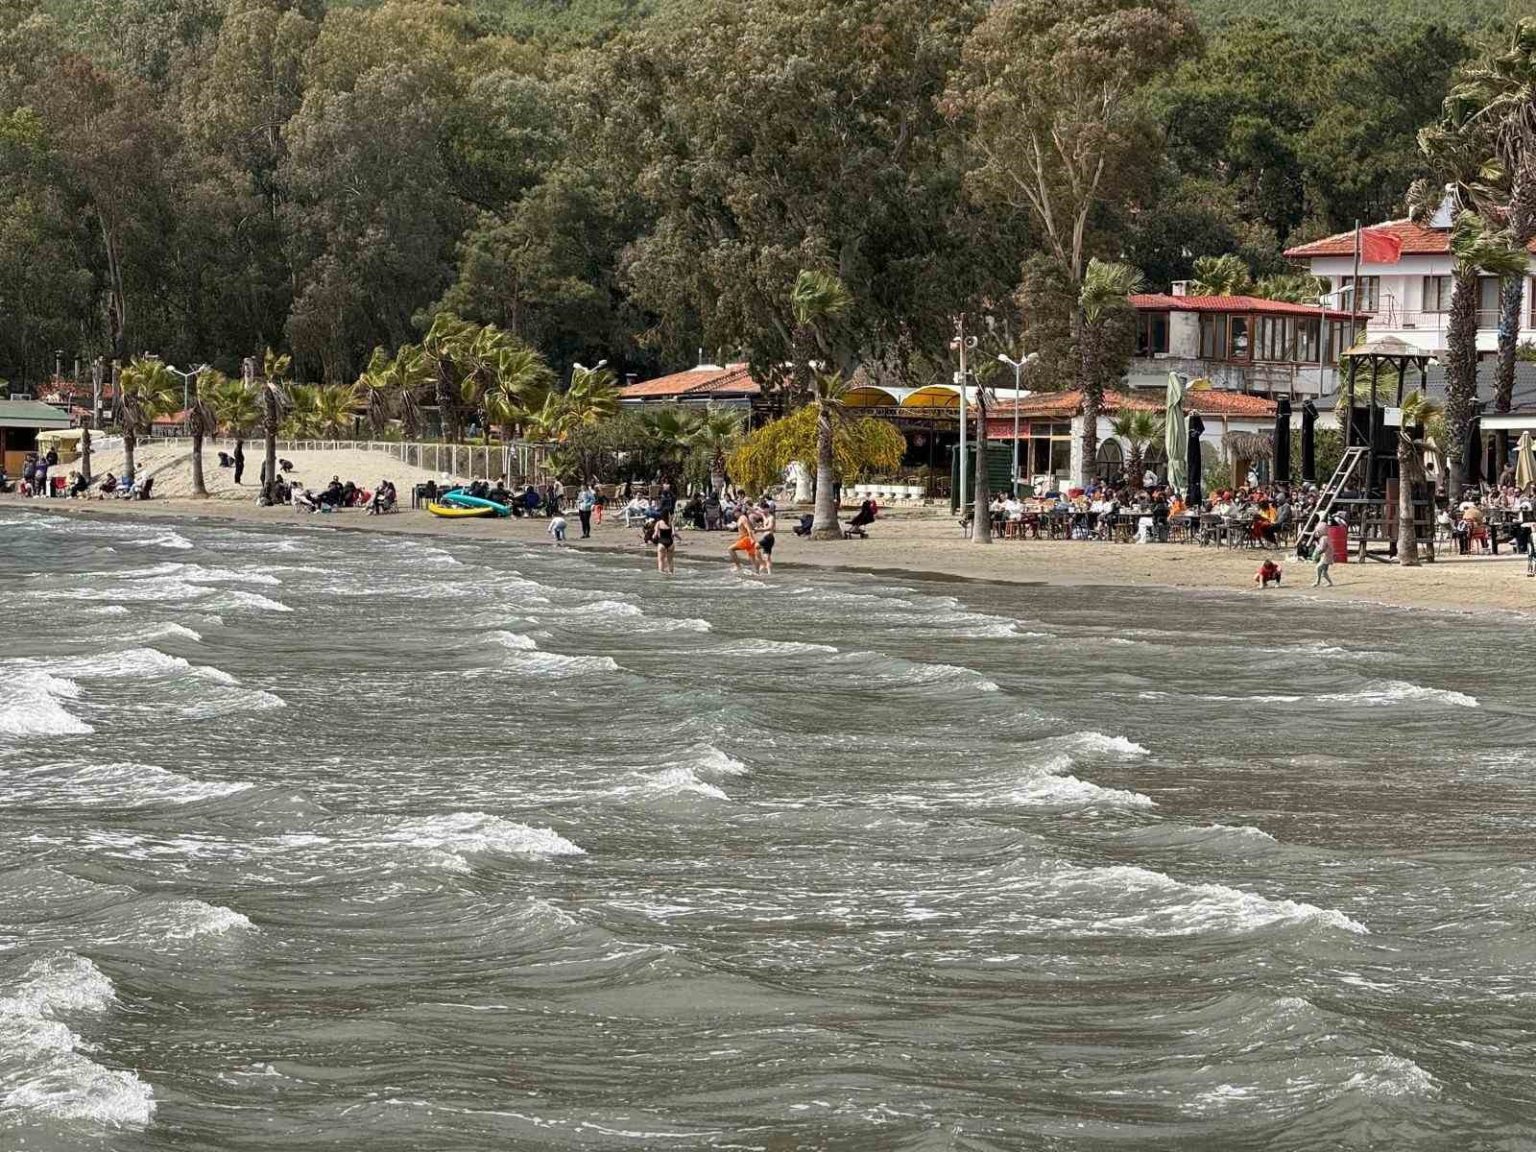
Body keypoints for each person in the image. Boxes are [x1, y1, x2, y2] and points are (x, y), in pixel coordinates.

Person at [728, 507, 760, 572]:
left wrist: (751, 539)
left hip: (746, 539)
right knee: (752, 557)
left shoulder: (743, 518)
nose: (734, 515)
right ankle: (757, 572)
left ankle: (738, 566)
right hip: (745, 539)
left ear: (738, 512)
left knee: (730, 549)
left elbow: (748, 529)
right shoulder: (740, 518)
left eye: (735, 513)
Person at [755, 501, 776, 575]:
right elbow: (754, 511)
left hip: (769, 537)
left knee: (755, 546)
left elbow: (769, 528)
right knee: (767, 557)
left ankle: (762, 564)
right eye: (762, 509)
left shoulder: (771, 518)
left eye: (764, 509)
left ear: (767, 509)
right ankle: (769, 573)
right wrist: (747, 506)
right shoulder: (764, 516)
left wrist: (759, 530)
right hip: (767, 538)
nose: (762, 511)